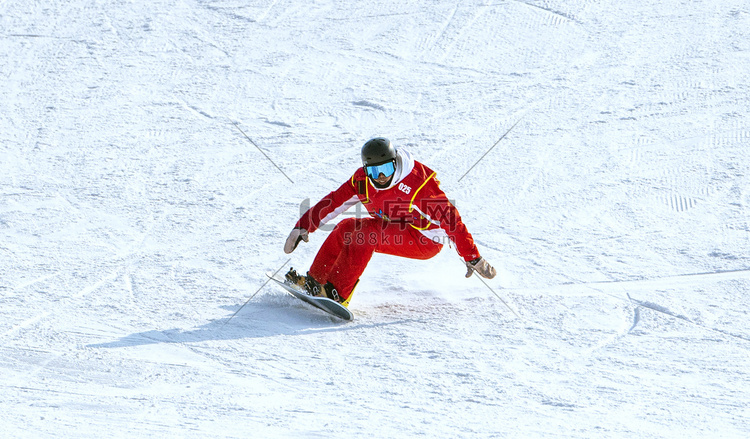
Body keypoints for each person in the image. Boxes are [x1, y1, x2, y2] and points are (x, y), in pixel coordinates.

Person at [283, 137, 496, 307]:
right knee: (347, 227)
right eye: (374, 171)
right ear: (366, 170)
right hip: (393, 225)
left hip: (425, 239)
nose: (382, 176)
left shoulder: (416, 184)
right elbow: (334, 201)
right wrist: (302, 226)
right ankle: (315, 281)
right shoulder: (362, 181)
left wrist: (472, 256)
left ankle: (336, 293)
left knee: (365, 233)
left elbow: (451, 219)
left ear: (395, 163)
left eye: (386, 168)